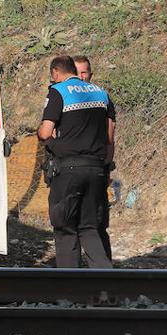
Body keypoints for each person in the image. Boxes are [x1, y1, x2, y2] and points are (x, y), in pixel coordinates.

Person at [39, 54, 114, 268]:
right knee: (90, 229)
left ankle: (68, 288)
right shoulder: (101, 93)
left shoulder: (58, 91)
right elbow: (110, 137)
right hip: (96, 169)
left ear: (55, 72)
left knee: (65, 229)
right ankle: (106, 286)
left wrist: (41, 133)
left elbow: (45, 133)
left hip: (68, 171)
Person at [73, 54, 116, 260]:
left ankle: (103, 271)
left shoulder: (102, 97)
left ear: (91, 74)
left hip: (96, 167)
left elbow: (110, 137)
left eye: (84, 72)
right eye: (77, 73)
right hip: (72, 169)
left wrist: (107, 167)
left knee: (97, 223)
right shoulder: (64, 96)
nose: (81, 77)